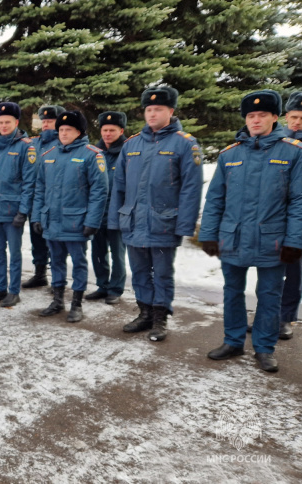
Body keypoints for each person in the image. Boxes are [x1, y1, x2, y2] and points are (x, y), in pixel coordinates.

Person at [200, 90, 302, 373]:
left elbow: (300, 200)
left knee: (270, 295)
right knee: (232, 291)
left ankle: (264, 347)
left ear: (275, 117)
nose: (256, 120)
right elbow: (215, 199)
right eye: (250, 115)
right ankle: (233, 341)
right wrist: (209, 234)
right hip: (233, 237)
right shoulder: (230, 154)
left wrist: (295, 241)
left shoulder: (295, 152)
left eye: (262, 115)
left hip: (273, 240)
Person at [108, 87, 203, 342]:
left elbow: (191, 190)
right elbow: (118, 185)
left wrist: (184, 225)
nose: (152, 114)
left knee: (161, 273)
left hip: (163, 223)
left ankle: (160, 318)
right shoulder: (132, 144)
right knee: (139, 271)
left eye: (158, 109)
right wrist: (115, 219)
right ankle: (144, 312)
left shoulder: (185, 144)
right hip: (133, 221)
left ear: (170, 111)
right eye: (148, 109)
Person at [31, 111, 108, 322]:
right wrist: (37, 217)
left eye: (69, 130)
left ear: (79, 132)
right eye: (61, 130)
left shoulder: (92, 154)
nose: (63, 133)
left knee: (78, 263)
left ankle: (76, 303)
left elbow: (99, 192)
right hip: (51, 222)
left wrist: (92, 222)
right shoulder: (48, 155)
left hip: (76, 223)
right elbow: (40, 189)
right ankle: (57, 300)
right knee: (55, 261)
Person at [0, 101, 37, 307]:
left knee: (14, 253)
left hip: (13, 211)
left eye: (8, 122)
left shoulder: (26, 147)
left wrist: (23, 211)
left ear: (16, 122)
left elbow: (29, 182)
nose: (4, 126)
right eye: (1, 122)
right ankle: (0, 287)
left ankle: (14, 291)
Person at [85, 111, 128, 305]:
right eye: (105, 130)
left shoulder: (128, 151)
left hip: (118, 212)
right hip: (98, 211)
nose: (108, 134)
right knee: (98, 251)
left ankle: (116, 289)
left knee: (117, 253)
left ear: (121, 130)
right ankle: (102, 285)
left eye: (112, 130)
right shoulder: (94, 152)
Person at [275, 91, 302, 340]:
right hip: (274, 216)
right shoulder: (275, 140)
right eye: (294, 117)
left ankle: (286, 318)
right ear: (286, 116)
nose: (297, 123)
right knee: (271, 269)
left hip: (300, 218)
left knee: (294, 270)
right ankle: (268, 316)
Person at [22, 105, 63, 289]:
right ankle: (40, 274)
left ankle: (57, 279)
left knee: (54, 241)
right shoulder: (33, 143)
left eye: (50, 121)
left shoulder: (63, 142)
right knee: (36, 238)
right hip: (35, 200)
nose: (46, 124)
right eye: (44, 121)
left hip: (54, 201)